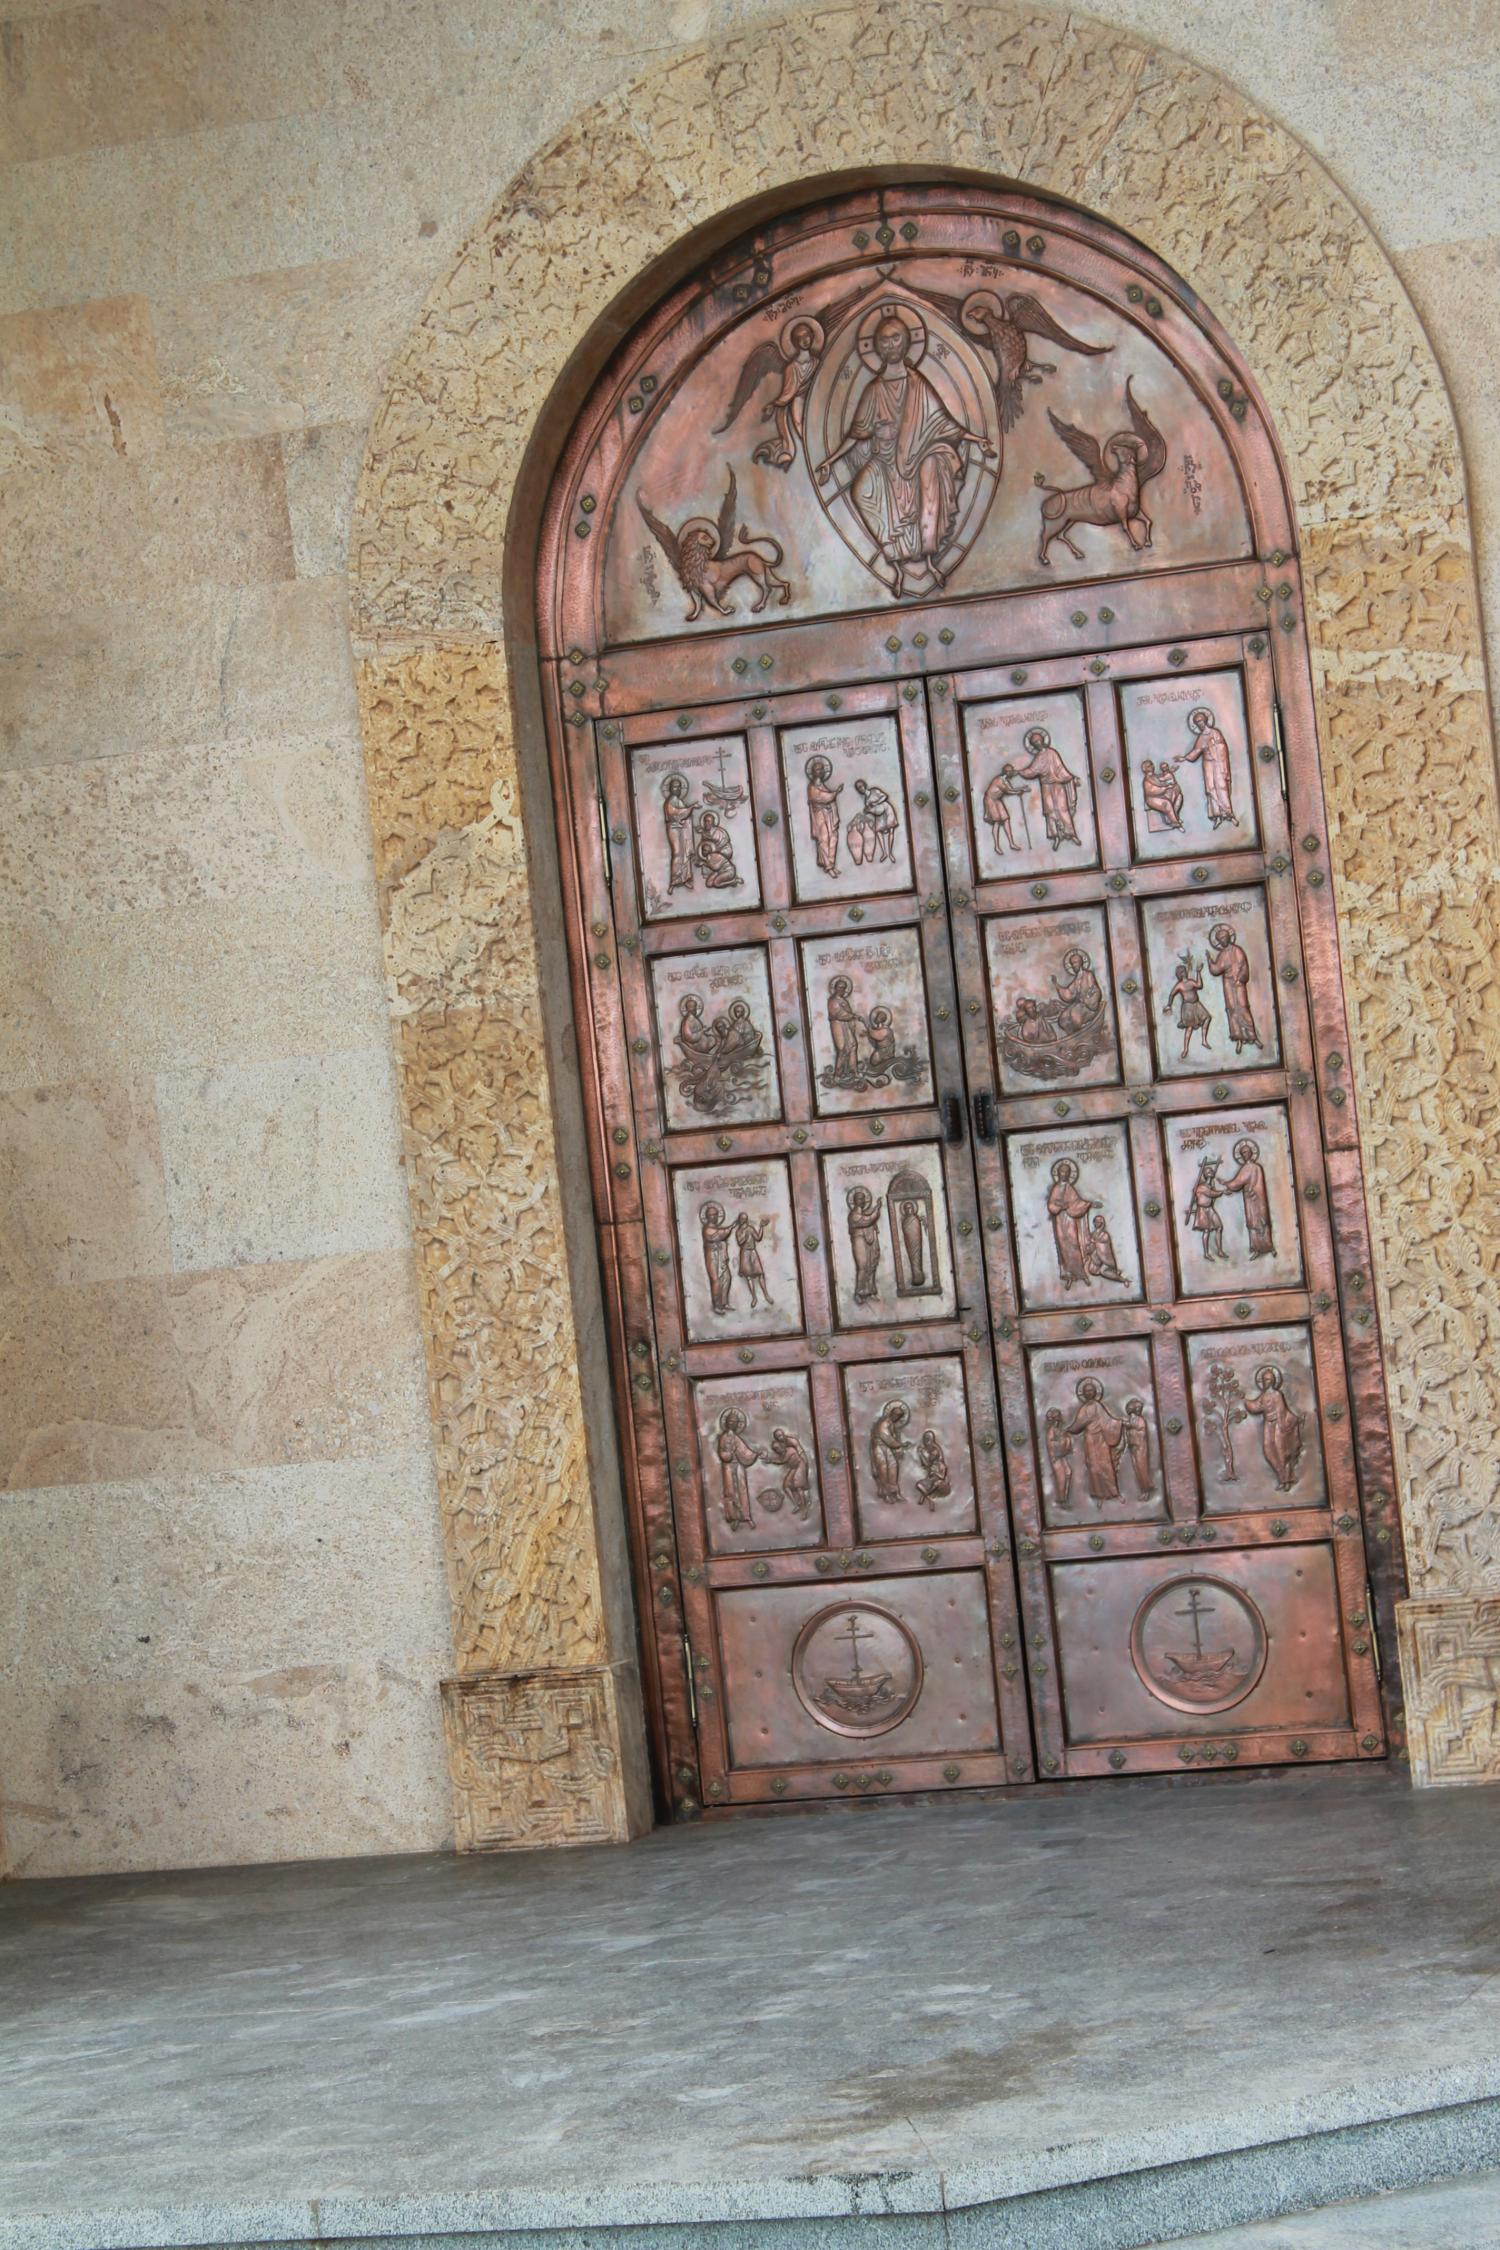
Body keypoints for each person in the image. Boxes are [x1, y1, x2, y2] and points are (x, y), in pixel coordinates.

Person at [814, 306, 994, 596]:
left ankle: (929, 560)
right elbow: (856, 434)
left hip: (919, 456)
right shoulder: (874, 389)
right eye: (884, 341)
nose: (890, 345)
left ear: (907, 342)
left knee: (931, 469)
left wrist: (976, 439)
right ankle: (896, 567)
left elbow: (941, 422)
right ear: (876, 347)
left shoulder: (917, 383)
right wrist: (829, 461)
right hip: (884, 460)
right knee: (861, 490)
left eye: (896, 338)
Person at [1006, 729, 1080, 849]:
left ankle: (1071, 834)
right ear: (1033, 745)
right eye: (1034, 742)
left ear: (1042, 740)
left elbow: (1060, 768)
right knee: (1049, 812)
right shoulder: (1038, 757)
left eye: (1038, 740)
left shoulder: (1052, 753)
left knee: (1063, 809)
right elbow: (1032, 770)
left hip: (1057, 785)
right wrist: (1019, 772)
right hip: (1046, 787)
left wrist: (1065, 778)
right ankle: (1055, 837)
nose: (1037, 743)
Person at [1244, 1364, 1304, 1490]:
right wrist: (1245, 1401)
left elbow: (1282, 1411)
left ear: (1272, 1381)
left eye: (1268, 1380)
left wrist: (1285, 1425)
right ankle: (1282, 1477)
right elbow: (1256, 1407)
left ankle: (1287, 1480)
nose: (1266, 1382)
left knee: (1281, 1451)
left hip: (1278, 1425)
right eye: (1264, 1380)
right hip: (1268, 1425)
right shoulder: (1264, 1395)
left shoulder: (1277, 1395)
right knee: (1268, 1450)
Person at [1067, 1378, 1125, 1504]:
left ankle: (1114, 1493)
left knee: (1106, 1465)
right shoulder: (1083, 1409)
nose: (1089, 1393)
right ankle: (1099, 1495)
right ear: (1083, 1394)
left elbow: (1108, 1420)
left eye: (1091, 1390)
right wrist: (1070, 1429)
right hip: (1090, 1439)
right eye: (1086, 1391)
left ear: (1095, 1392)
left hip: (1101, 1438)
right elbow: (1078, 1424)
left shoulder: (1098, 1406)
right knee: (1094, 1466)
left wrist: (1119, 1423)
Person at [1206, 924, 1260, 1053]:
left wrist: (1241, 977)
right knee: (1231, 1008)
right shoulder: (1222, 954)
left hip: (1238, 982)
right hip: (1227, 983)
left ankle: (1252, 1036)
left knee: (1243, 1007)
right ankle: (1238, 1038)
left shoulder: (1237, 950)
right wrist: (1209, 961)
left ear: (1229, 937)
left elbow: (1244, 966)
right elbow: (1216, 969)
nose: (1222, 941)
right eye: (1220, 940)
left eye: (1224, 938)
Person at [1047, 1157, 1098, 1289]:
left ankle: (1082, 1274)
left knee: (1075, 1245)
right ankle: (1068, 1275)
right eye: (1062, 1172)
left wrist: (1089, 1204)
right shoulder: (1056, 1188)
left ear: (1069, 1174)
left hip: (1070, 1221)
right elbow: (1051, 1205)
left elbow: (1077, 1203)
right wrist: (1060, 1207)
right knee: (1064, 1247)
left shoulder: (1070, 1188)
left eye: (1066, 1172)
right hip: (1060, 1221)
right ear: (1058, 1173)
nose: (1064, 1174)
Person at [1219, 1136, 1274, 1259]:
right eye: (1242, 1153)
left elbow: (1238, 1182)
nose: (1245, 1154)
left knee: (1263, 1220)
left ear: (1251, 1153)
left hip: (1258, 1198)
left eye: (1246, 1152)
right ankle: (1256, 1249)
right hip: (1249, 1199)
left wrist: (1225, 1183)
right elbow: (1239, 1183)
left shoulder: (1255, 1167)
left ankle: (1269, 1247)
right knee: (1252, 1222)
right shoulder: (1245, 1168)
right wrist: (1229, 1188)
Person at [1182, 706, 1235, 826]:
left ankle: (1228, 813)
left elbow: (1222, 747)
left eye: (1200, 720)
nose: (1199, 723)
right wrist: (1184, 757)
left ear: (1205, 720)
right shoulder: (1201, 737)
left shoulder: (1215, 733)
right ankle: (1216, 816)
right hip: (1207, 764)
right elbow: (1196, 751)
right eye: (1197, 722)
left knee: (1221, 786)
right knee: (1210, 788)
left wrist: (1211, 746)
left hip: (1218, 763)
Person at [715, 1407, 763, 1529]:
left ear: (738, 1424)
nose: (732, 1423)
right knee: (730, 1491)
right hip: (728, 1466)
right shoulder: (723, 1437)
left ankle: (746, 1516)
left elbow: (745, 1451)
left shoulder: (736, 1438)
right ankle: (733, 1517)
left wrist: (755, 1454)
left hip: (738, 1466)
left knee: (742, 1489)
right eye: (730, 1421)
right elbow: (721, 1452)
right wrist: (727, 1455)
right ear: (726, 1422)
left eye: (735, 1422)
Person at [1163, 952, 1213, 1062]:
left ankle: (1204, 1040)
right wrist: (1169, 1005)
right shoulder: (1179, 985)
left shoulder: (1190, 982)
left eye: (1184, 970)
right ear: (1180, 974)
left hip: (1197, 1004)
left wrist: (1198, 972)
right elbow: (1172, 994)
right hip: (1188, 1007)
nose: (1185, 972)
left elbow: (1199, 985)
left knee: (1207, 1018)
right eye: (1183, 971)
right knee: (1189, 1027)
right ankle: (1185, 1049)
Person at [805, 753, 843, 876]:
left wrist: (832, 797)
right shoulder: (811, 787)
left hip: (829, 815)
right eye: (817, 769)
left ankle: (831, 864)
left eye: (821, 769)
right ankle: (827, 866)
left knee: (833, 838)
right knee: (824, 839)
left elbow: (827, 799)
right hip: (820, 816)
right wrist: (836, 792)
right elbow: (821, 797)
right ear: (813, 772)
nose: (820, 771)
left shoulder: (822, 785)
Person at [848, 776, 899, 864]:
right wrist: (868, 811)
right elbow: (873, 811)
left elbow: (885, 796)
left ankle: (891, 853)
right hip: (879, 814)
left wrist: (876, 802)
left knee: (891, 830)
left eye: (861, 786)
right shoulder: (866, 801)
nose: (860, 789)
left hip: (887, 810)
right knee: (878, 831)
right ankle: (884, 853)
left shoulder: (874, 791)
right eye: (858, 788)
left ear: (864, 785)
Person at [765, 1425, 813, 1517]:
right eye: (775, 1450)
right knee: (786, 1485)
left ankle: (804, 1509)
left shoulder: (791, 1447)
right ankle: (796, 1504)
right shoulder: (783, 1451)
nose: (777, 1451)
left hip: (800, 1465)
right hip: (793, 1468)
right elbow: (781, 1460)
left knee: (798, 1485)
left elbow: (784, 1459)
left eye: (781, 1435)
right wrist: (771, 1460)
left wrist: (805, 1465)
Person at [1185, 1157, 1226, 1263]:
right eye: (1208, 1171)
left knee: (1219, 1227)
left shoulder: (1210, 1185)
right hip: (1202, 1210)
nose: (1211, 1172)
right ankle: (1206, 1253)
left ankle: (1220, 1251)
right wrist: (1223, 1192)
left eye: (1211, 1171)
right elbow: (1211, 1194)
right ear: (1205, 1174)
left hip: (1210, 1209)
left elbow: (1212, 1192)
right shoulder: (1202, 1187)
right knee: (1206, 1230)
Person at [869, 1399, 911, 1501]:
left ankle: (895, 1492)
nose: (898, 1418)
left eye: (900, 1417)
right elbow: (887, 1439)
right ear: (892, 1414)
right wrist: (901, 1444)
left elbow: (891, 1439)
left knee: (893, 1467)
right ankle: (885, 1494)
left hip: (887, 1448)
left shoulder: (891, 1423)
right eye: (897, 1416)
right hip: (879, 1448)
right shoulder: (883, 1423)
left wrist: (899, 1443)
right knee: (883, 1469)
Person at [1053, 947, 1102, 1031]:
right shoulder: (1076, 979)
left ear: (1081, 963)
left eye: (1075, 963)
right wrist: (1056, 985)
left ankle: (1079, 1033)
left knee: (1074, 1015)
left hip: (1088, 1006)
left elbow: (1093, 990)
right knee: (1063, 1018)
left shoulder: (1088, 975)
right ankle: (1071, 1034)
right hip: (1079, 1005)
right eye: (1072, 964)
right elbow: (1069, 993)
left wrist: (1087, 1000)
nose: (1074, 965)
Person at [827, 975, 864, 1086]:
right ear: (835, 988)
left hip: (846, 1026)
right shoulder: (833, 1000)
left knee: (853, 1046)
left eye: (843, 988)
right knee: (842, 1049)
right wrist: (854, 1016)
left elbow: (847, 1013)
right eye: (839, 987)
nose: (841, 989)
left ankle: (854, 1071)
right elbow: (839, 1014)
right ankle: (837, 1075)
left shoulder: (844, 1000)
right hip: (838, 1025)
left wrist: (852, 1018)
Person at [662, 773, 697, 890]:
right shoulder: (670, 802)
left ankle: (684, 878)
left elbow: (683, 814)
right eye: (675, 787)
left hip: (681, 829)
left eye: (679, 787)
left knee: (684, 854)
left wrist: (689, 810)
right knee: (677, 854)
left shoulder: (679, 801)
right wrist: (691, 807)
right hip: (674, 829)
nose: (677, 789)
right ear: (670, 789)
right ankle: (674, 881)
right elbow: (677, 814)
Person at [847, 1186, 882, 1302]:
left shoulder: (863, 1213)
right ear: (854, 1201)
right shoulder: (854, 1214)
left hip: (867, 1241)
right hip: (859, 1240)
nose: (862, 1201)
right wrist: (877, 1209)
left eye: (863, 1199)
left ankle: (870, 1291)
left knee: (871, 1265)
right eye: (859, 1199)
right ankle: (858, 1293)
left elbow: (868, 1219)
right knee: (862, 1266)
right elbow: (867, 1220)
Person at [700, 1201, 734, 1312]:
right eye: (711, 1215)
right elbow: (720, 1234)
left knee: (727, 1278)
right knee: (716, 1280)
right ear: (707, 1217)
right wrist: (731, 1227)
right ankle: (716, 1306)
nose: (713, 1217)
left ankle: (724, 1303)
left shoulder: (716, 1227)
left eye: (715, 1214)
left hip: (720, 1256)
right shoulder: (707, 1229)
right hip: (712, 1257)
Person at [734, 1211, 772, 1307]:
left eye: (745, 1219)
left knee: (760, 1274)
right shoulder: (738, 1231)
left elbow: (758, 1238)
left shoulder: (750, 1228)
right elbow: (740, 1242)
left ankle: (766, 1295)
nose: (743, 1220)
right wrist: (745, 1234)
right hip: (744, 1253)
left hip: (753, 1252)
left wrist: (761, 1227)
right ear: (740, 1220)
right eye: (742, 1219)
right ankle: (754, 1297)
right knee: (748, 1276)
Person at [695, 809, 741, 889]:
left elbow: (725, 844)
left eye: (709, 821)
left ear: (713, 822)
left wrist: (705, 862)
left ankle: (732, 880)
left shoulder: (719, 832)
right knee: (709, 884)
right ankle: (717, 874)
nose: (706, 823)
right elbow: (705, 845)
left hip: (723, 851)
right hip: (712, 854)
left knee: (716, 881)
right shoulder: (704, 833)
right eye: (705, 821)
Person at [983, 767, 1025, 853]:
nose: (1012, 773)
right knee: (997, 822)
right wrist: (1018, 792)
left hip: (997, 800)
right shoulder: (999, 780)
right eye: (1011, 771)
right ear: (1007, 772)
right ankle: (996, 846)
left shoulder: (1005, 780)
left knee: (1006, 819)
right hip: (990, 800)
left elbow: (1011, 789)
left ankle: (1011, 843)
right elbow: (1008, 791)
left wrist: (1021, 788)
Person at [1140, 757, 1184, 832]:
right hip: (1152, 798)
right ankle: (1175, 823)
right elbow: (1152, 792)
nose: (1152, 766)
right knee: (1166, 803)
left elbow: (1163, 777)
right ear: (1145, 769)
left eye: (1151, 764)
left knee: (1178, 796)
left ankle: (1172, 817)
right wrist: (1165, 788)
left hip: (1160, 795)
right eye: (1149, 766)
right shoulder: (1147, 779)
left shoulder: (1155, 776)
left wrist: (1171, 771)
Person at [1084, 1211, 1127, 1285]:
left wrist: (1095, 1242)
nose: (1096, 1223)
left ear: (1102, 1223)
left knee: (1103, 1271)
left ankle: (1123, 1280)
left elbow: (1103, 1246)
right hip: (1096, 1258)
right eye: (1095, 1222)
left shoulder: (1105, 1234)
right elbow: (1090, 1244)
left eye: (1098, 1222)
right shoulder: (1093, 1234)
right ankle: (1114, 1272)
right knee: (1092, 1270)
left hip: (1105, 1259)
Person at [1122, 1398, 1154, 1496]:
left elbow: (1134, 1427)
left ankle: (1146, 1489)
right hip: (1134, 1447)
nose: (1138, 1410)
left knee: (1141, 1467)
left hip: (1140, 1447)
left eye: (1139, 1408)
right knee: (1137, 1468)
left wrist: (1127, 1425)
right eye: (1137, 1408)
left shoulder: (1140, 1420)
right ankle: (1143, 1489)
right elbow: (1130, 1427)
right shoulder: (1132, 1419)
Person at [1045, 1407, 1074, 1506]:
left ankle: (1064, 1498)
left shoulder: (1058, 1430)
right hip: (1056, 1457)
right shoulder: (1051, 1430)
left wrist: (1066, 1440)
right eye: (1057, 1418)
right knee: (1061, 1477)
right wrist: (1063, 1441)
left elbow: (1064, 1440)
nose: (1059, 1420)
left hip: (1062, 1455)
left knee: (1068, 1472)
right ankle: (1061, 1500)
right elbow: (1051, 1444)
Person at [915, 1428, 950, 1507]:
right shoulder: (933, 1461)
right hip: (931, 1480)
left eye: (927, 1440)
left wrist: (921, 1454)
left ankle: (925, 1498)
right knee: (919, 1485)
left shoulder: (936, 1453)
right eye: (924, 1440)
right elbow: (925, 1465)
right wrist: (921, 1454)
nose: (925, 1443)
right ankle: (930, 1500)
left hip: (939, 1482)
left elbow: (928, 1464)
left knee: (935, 1484)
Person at [898, 1196, 927, 1287]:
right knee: (912, 1259)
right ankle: (916, 1276)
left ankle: (919, 1276)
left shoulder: (915, 1219)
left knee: (917, 1258)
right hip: (909, 1243)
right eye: (906, 1208)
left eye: (910, 1207)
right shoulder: (905, 1221)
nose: (908, 1210)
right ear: (904, 1210)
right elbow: (906, 1232)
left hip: (917, 1242)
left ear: (913, 1208)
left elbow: (917, 1231)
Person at [864, 1006, 896, 1080]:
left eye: (878, 1016)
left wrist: (868, 1028)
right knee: (873, 1062)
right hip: (880, 1050)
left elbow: (876, 1035)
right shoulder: (879, 1029)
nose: (876, 1018)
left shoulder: (886, 1030)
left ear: (882, 1019)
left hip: (885, 1052)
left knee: (875, 1061)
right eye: (877, 1016)